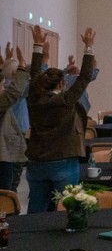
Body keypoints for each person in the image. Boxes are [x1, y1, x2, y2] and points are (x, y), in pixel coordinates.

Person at [26, 26, 96, 213]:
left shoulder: (34, 98)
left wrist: (38, 46)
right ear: (62, 83)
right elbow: (85, 76)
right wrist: (88, 47)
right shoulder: (66, 100)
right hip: (63, 160)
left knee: (36, 209)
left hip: (36, 160)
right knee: (67, 208)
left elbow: (34, 74)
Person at [0, 43, 29, 191]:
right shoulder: (6, 96)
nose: (3, 87)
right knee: (7, 189)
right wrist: (22, 67)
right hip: (4, 151)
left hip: (7, 145)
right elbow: (15, 91)